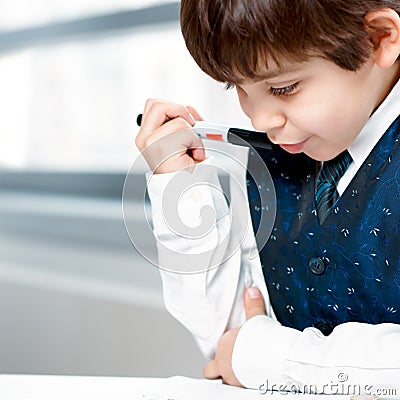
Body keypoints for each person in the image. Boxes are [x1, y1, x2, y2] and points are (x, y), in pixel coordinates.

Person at [135, 0, 400, 393]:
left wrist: (273, 358)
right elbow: (230, 343)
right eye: (238, 88)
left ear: (379, 38)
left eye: (283, 87)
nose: (259, 120)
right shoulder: (276, 161)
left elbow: (255, 355)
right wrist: (179, 183)